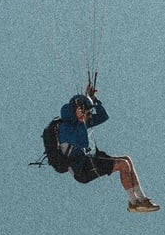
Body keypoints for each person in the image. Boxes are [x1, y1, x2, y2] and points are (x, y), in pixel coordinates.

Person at [57, 83, 159, 212]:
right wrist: (82, 121)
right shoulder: (65, 128)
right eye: (88, 112)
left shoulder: (78, 123)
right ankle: (133, 202)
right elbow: (83, 143)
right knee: (123, 164)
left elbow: (103, 117)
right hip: (81, 170)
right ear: (78, 112)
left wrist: (93, 99)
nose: (90, 115)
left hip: (88, 161)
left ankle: (141, 199)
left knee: (127, 159)